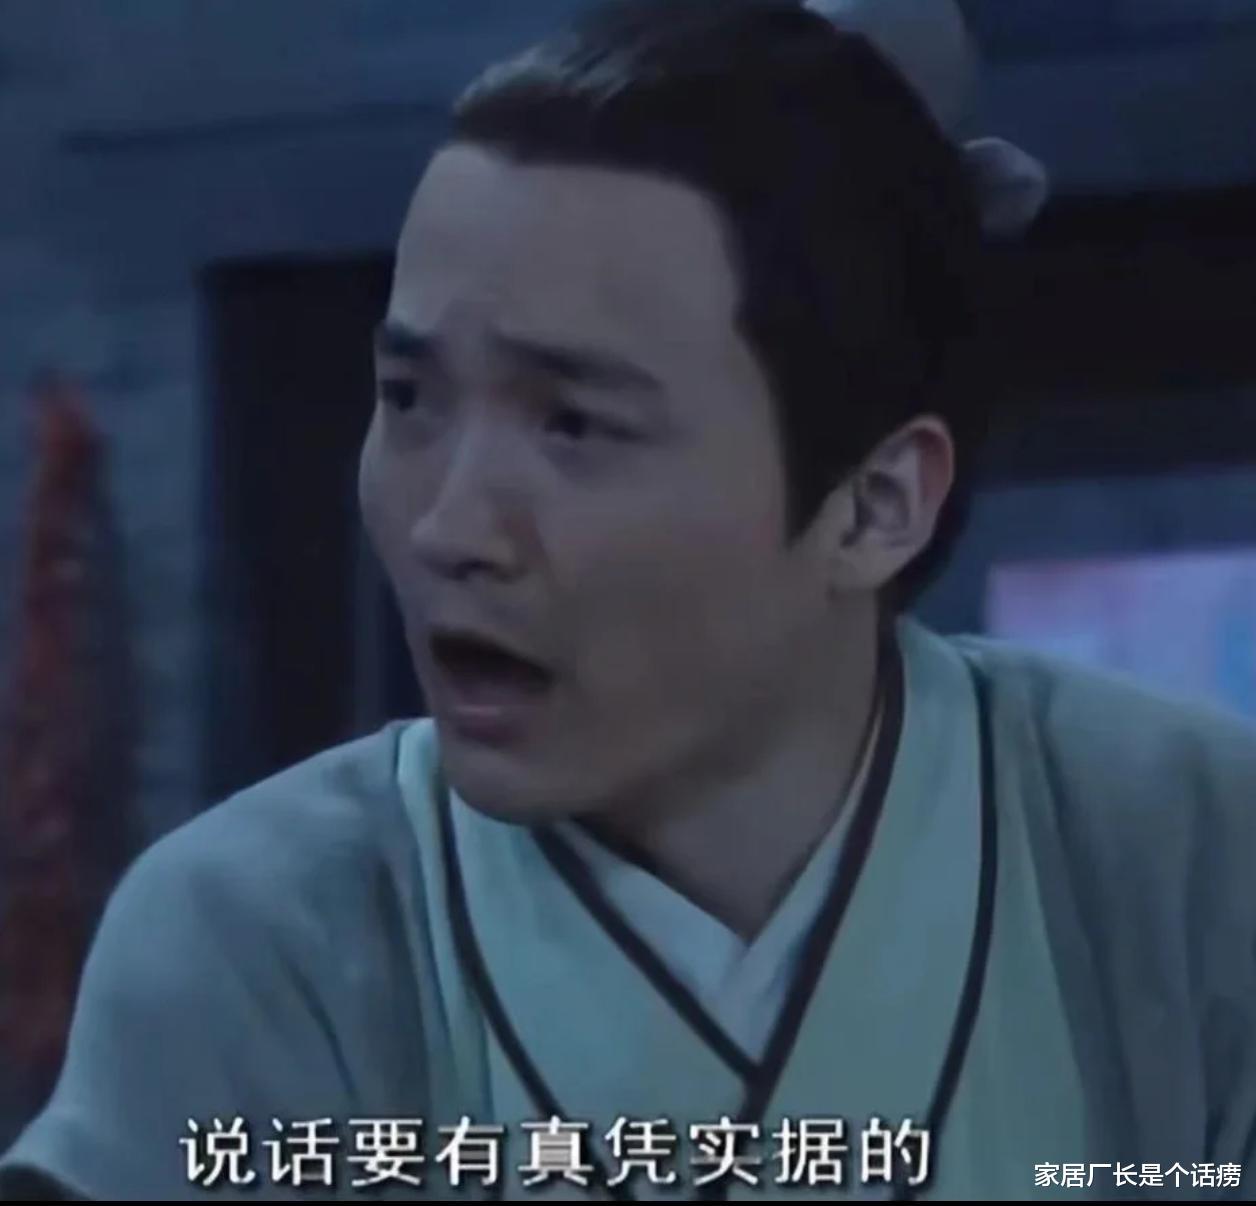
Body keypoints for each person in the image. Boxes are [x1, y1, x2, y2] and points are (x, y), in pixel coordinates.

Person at [2, 0, 1253, 1199]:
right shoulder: (260, 933)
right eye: (410, 400)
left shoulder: (1178, 853)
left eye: (573, 423)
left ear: (873, 505)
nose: (447, 528)